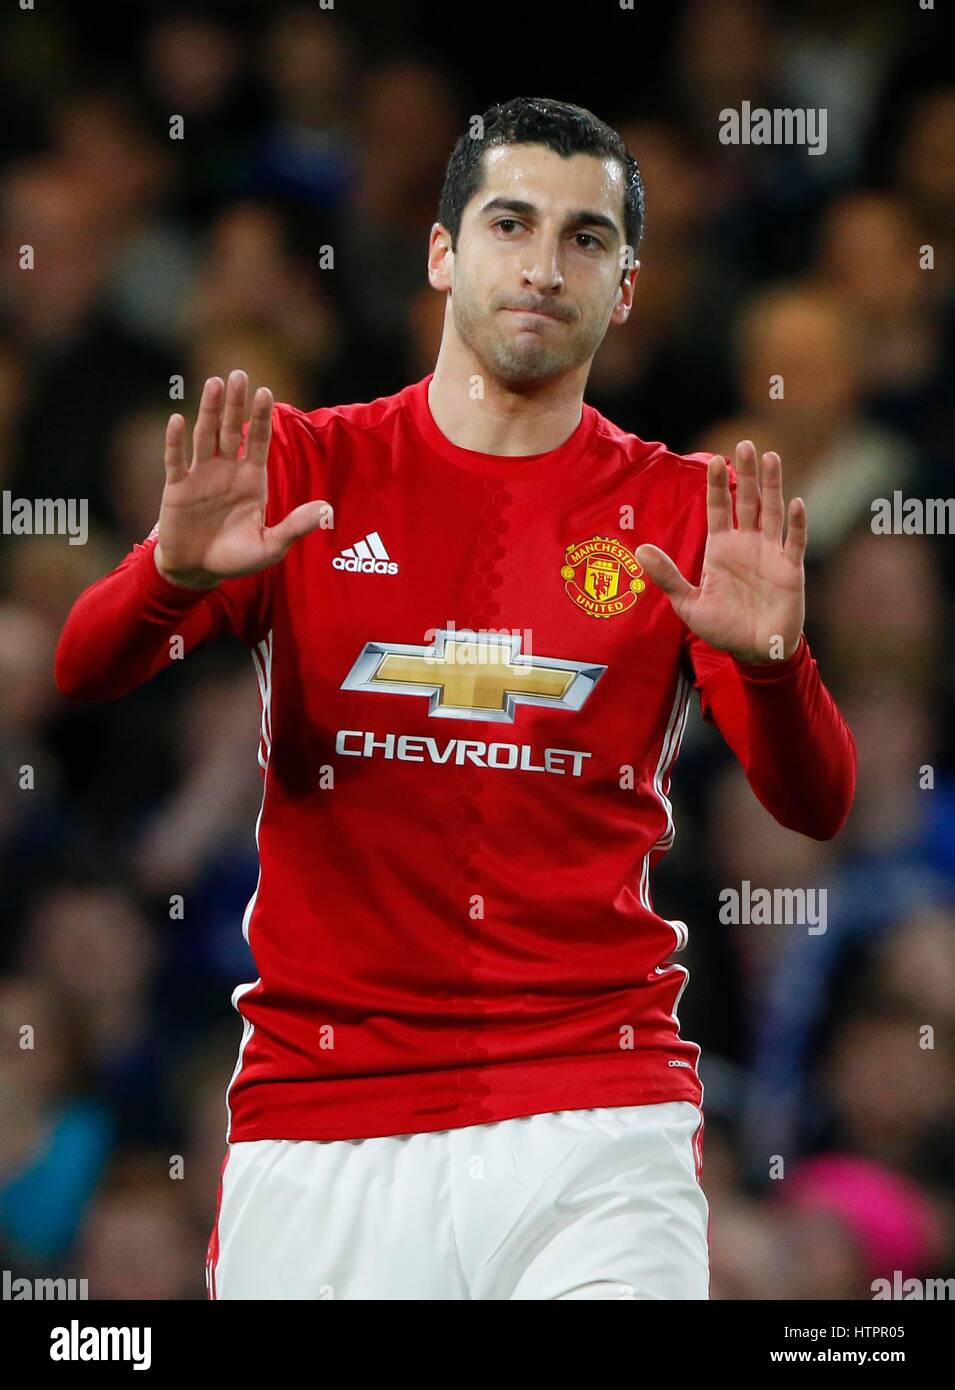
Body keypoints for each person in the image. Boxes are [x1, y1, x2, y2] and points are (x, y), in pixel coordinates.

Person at [54, 96, 856, 1300]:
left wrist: (771, 666)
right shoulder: (308, 472)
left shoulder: (683, 512)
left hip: (597, 1111)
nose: (543, 266)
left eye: (587, 239)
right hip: (321, 1119)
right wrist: (165, 580)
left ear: (626, 287)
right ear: (442, 250)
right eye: (510, 222)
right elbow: (82, 671)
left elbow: (815, 801)